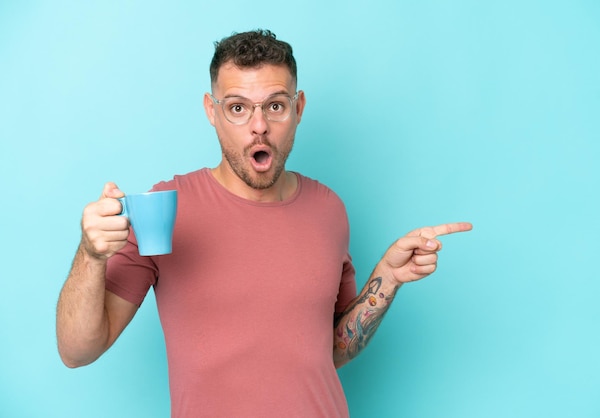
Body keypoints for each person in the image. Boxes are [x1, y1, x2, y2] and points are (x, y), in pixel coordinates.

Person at [56, 29, 472, 417]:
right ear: (212, 111)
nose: (259, 127)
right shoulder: (166, 207)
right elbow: (76, 351)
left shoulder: (329, 209)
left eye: (275, 105)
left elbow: (330, 350)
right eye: (238, 108)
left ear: (298, 108)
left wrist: (388, 279)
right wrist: (91, 254)